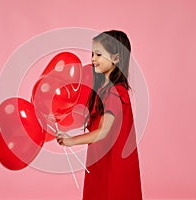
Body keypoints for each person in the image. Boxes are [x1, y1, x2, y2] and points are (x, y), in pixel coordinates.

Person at [56, 30, 143, 199]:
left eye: (98, 54)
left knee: (111, 191)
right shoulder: (102, 90)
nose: (93, 59)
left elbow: (103, 131)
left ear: (116, 58)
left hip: (112, 161)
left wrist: (71, 141)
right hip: (100, 160)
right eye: (92, 54)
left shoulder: (115, 93)